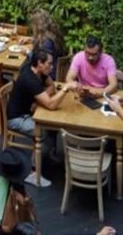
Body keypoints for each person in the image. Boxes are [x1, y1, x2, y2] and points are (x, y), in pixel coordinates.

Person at [7, 49, 78, 187]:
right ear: (40, 63)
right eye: (49, 64)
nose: (52, 67)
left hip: (30, 111)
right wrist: (65, 88)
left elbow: (51, 86)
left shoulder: (40, 72)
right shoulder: (29, 78)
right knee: (44, 132)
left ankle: (46, 157)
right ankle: (32, 172)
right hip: (17, 118)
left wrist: (39, 98)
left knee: (53, 126)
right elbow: (51, 104)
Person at [30, 9, 64, 80]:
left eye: (33, 23)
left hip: (49, 75)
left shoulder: (46, 42)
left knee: (24, 70)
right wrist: (31, 39)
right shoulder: (52, 34)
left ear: (38, 25)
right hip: (55, 70)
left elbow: (41, 62)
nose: (31, 26)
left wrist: (27, 53)